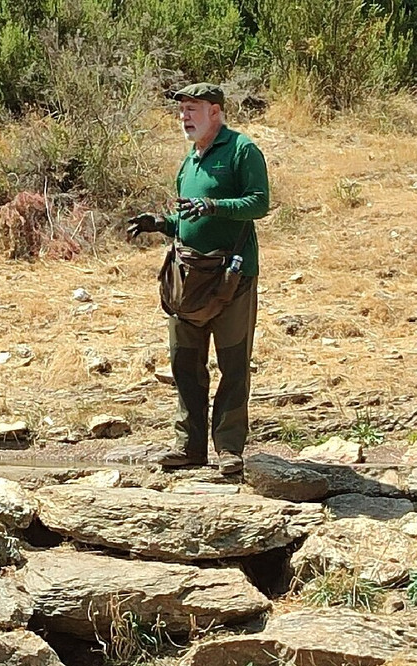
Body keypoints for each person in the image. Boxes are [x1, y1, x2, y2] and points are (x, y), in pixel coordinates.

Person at [128, 82, 270, 475]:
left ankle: (228, 449)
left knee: (233, 365)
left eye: (194, 109)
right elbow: (187, 221)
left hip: (232, 278)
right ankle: (188, 447)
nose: (185, 116)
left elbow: (259, 202)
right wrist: (161, 223)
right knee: (184, 365)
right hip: (186, 281)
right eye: (182, 110)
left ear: (216, 112)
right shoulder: (190, 161)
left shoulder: (242, 150)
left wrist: (214, 204)